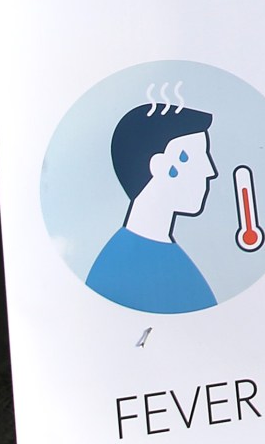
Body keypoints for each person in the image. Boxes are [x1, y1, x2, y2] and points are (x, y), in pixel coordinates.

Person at [83, 101, 221, 315]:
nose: (210, 170)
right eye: (195, 156)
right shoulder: (122, 266)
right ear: (158, 165)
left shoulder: (167, 257)